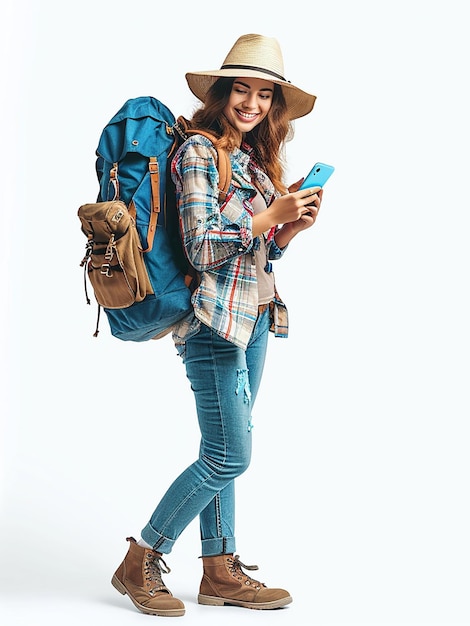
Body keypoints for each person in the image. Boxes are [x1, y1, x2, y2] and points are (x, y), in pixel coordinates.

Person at [110, 34, 322, 618]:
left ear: (274, 105)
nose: (250, 103)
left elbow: (255, 254)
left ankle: (220, 570)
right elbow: (204, 249)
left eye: (263, 94)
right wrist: (266, 214)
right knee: (231, 455)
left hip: (252, 316)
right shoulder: (199, 152)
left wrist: (288, 228)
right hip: (212, 327)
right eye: (241, 90)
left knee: (222, 445)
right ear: (222, 93)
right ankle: (142, 557)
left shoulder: (253, 159)